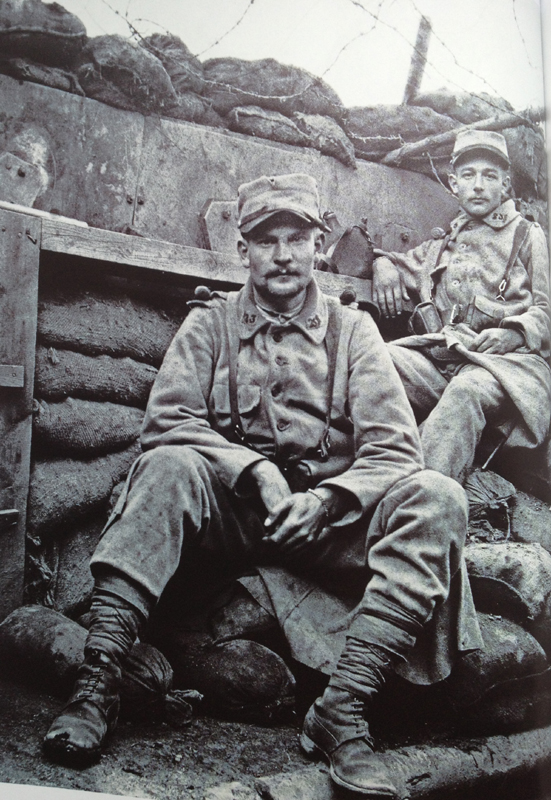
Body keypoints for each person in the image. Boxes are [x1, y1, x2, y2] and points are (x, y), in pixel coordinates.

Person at [43, 173, 480, 798]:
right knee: (167, 466)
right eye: (266, 239)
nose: (282, 254)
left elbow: (395, 449)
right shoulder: (211, 324)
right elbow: (169, 420)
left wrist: (330, 500)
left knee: (439, 496)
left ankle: (341, 711)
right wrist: (252, 470)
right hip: (235, 519)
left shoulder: (353, 332)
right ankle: (98, 684)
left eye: (296, 237)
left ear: (319, 245)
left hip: (330, 527)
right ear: (242, 250)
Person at [372, 130, 551, 484]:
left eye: (490, 175)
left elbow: (546, 310)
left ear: (505, 184)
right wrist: (383, 265)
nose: (479, 185)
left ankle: (421, 501)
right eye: (468, 175)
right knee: (376, 363)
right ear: (454, 184)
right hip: (443, 360)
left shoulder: (527, 235)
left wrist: (514, 334)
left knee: (465, 393)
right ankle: (366, 472)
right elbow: (397, 261)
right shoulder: (442, 245)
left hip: (507, 369)